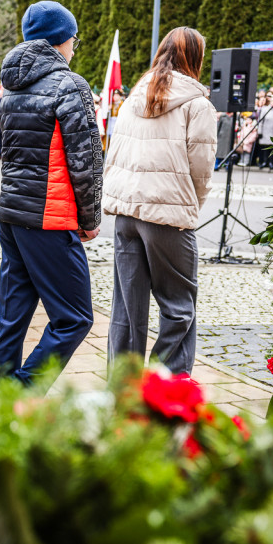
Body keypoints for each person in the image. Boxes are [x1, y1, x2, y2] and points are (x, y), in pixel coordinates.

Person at [0, 0, 103, 387]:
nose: (75, 46)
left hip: (13, 214)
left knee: (12, 315)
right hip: (50, 217)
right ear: (61, 39)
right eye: (74, 39)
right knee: (75, 317)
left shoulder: (12, 88)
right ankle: (21, 394)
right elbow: (86, 162)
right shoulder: (70, 84)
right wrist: (90, 220)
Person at [102, 27, 216, 375]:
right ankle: (166, 384)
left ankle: (123, 387)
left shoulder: (136, 95)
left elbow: (115, 154)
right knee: (179, 306)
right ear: (195, 59)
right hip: (167, 216)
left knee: (127, 309)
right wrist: (189, 206)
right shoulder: (198, 105)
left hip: (126, 214)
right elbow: (201, 169)